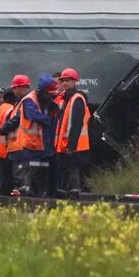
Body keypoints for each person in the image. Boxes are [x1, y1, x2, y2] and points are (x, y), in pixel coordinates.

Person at [9, 75, 55, 196]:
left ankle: (40, 193)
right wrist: (49, 119)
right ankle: (31, 192)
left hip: (44, 142)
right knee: (32, 169)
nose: (50, 95)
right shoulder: (29, 100)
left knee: (42, 169)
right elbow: (33, 116)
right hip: (32, 143)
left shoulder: (48, 100)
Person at [54, 68, 91, 196]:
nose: (64, 83)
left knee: (73, 169)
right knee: (66, 169)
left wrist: (71, 146)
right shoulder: (64, 100)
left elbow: (76, 124)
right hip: (64, 144)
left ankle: (75, 192)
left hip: (75, 145)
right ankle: (66, 192)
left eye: (68, 80)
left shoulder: (77, 99)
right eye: (63, 80)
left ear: (75, 82)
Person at [0, 80, 23, 192]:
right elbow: (11, 125)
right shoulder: (11, 109)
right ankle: (5, 198)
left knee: (5, 175)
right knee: (9, 177)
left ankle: (3, 197)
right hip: (7, 147)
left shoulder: (1, 108)